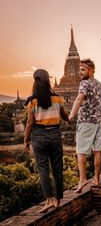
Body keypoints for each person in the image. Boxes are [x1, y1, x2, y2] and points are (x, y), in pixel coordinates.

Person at [24, 69, 69, 213]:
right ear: (48, 81)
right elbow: (64, 115)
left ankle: (48, 199)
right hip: (55, 134)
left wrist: (26, 140)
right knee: (57, 169)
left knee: (43, 170)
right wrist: (68, 120)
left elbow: (30, 123)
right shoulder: (57, 98)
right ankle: (58, 200)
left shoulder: (32, 101)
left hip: (39, 136)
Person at [69, 58, 101, 193]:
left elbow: (79, 98)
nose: (80, 72)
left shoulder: (84, 84)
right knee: (98, 150)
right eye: (80, 69)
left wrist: (71, 115)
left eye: (83, 69)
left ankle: (82, 179)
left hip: (86, 122)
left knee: (81, 151)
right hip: (98, 123)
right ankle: (96, 178)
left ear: (91, 70)